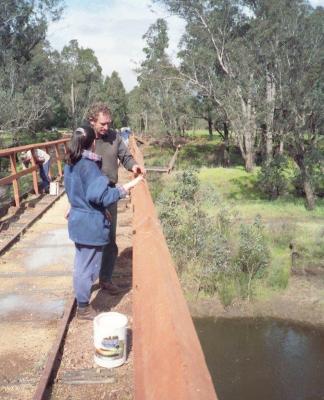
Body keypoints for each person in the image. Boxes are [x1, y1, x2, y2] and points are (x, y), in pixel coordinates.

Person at [64, 126, 143, 320]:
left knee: (81, 263)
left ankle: (82, 302)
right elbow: (101, 196)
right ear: (92, 143)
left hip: (78, 220)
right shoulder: (88, 166)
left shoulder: (70, 162)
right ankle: (83, 308)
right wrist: (128, 186)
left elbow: (78, 191)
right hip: (89, 225)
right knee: (86, 267)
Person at [86, 102, 146, 295]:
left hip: (110, 194)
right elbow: (72, 166)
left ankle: (105, 279)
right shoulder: (84, 137)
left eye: (108, 123)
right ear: (91, 121)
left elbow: (126, 157)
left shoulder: (115, 137)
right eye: (102, 124)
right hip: (89, 196)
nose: (106, 128)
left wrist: (134, 166)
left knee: (109, 239)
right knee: (90, 241)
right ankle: (85, 282)